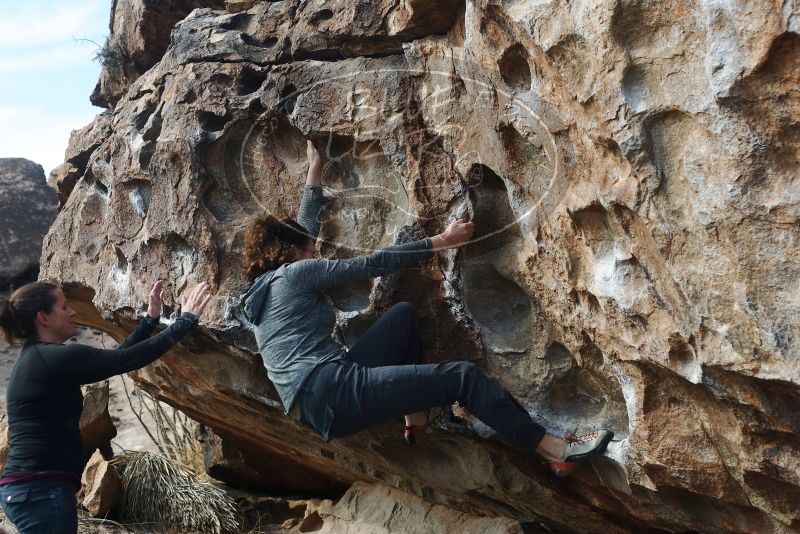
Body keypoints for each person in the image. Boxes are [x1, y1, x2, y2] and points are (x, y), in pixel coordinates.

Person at [242, 140, 612, 476]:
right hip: (332, 390)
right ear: (289, 254)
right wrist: (440, 241)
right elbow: (371, 264)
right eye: (306, 250)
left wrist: (314, 170)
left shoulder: (264, 291)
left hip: (315, 400)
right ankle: (555, 449)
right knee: (462, 377)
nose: (312, 251)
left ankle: (414, 418)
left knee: (401, 317)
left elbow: (304, 231)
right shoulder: (295, 275)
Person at [0, 280, 212, 534]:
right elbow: (127, 359)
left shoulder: (41, 359)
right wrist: (185, 321)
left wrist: (149, 321)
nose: (73, 312)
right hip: (40, 491)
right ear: (43, 317)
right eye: (64, 306)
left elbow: (115, 360)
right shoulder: (52, 358)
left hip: (32, 490)